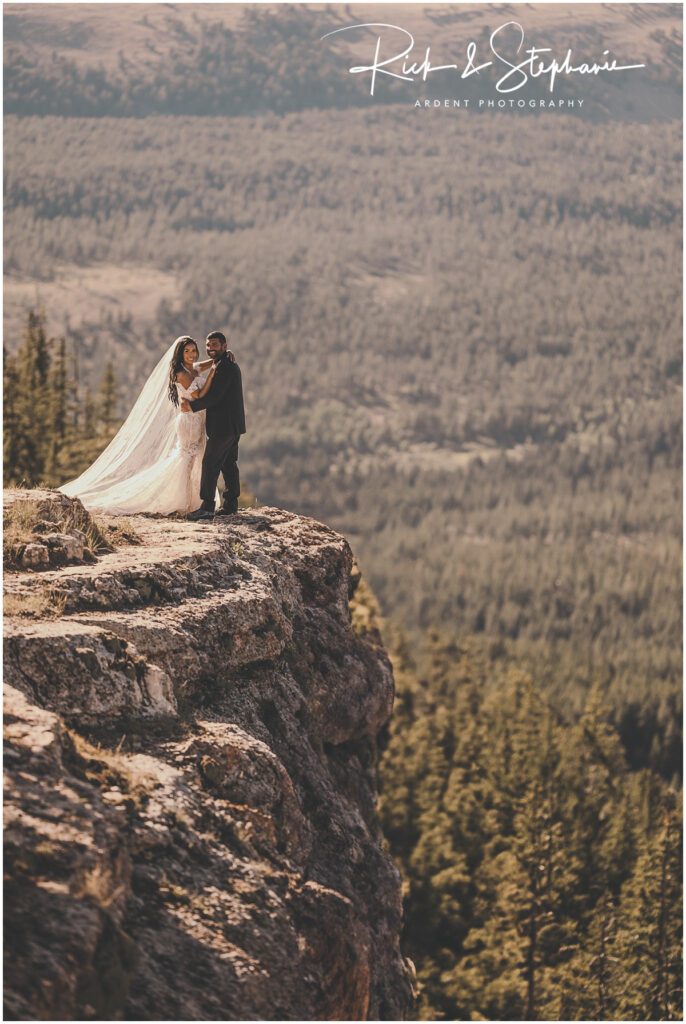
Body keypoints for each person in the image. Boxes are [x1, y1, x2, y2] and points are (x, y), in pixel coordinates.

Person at [59, 336, 234, 515]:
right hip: (189, 422)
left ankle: (193, 501)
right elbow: (199, 395)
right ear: (180, 354)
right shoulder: (181, 374)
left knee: (195, 458)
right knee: (186, 459)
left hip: (197, 421)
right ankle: (179, 500)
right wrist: (212, 373)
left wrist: (221, 357)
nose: (191, 354)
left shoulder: (192, 369)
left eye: (194, 351)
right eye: (187, 351)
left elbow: (204, 365)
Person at [180, 330, 246, 520]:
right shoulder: (223, 363)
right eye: (208, 345)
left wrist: (192, 406)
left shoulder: (225, 366)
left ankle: (207, 507)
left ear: (224, 346)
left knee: (210, 463)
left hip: (224, 426)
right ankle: (231, 505)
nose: (210, 348)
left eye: (215, 345)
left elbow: (215, 397)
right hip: (232, 425)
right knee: (228, 464)